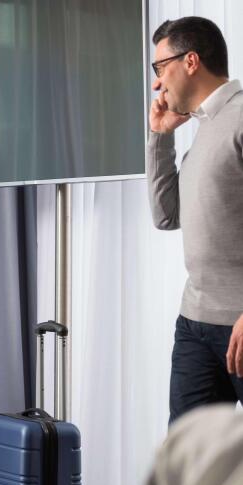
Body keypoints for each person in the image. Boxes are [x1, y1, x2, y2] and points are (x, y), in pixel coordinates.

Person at [146, 16, 243, 424]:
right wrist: (160, 136)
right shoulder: (204, 127)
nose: (157, 83)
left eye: (160, 67)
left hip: (240, 323)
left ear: (190, 61)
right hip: (195, 326)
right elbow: (166, 215)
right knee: (189, 458)